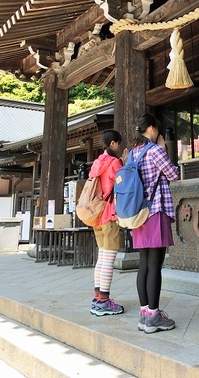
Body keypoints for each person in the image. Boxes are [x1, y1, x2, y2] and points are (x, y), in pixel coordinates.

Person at [130, 113, 180, 334]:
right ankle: (154, 315)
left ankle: (144, 315)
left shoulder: (132, 153)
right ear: (151, 128)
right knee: (155, 265)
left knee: (143, 264)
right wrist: (163, 148)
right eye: (157, 129)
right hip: (156, 211)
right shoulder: (156, 151)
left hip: (138, 214)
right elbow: (173, 174)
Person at [89, 129, 125, 316]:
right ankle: (104, 302)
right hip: (110, 215)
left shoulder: (97, 163)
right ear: (112, 143)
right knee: (109, 260)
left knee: (101, 259)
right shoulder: (114, 163)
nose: (120, 147)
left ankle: (97, 299)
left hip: (98, 216)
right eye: (118, 143)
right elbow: (124, 184)